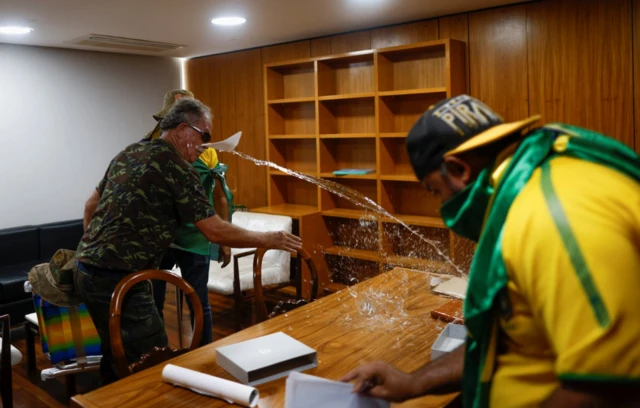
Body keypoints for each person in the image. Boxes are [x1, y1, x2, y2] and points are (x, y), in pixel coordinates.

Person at [340, 95, 640, 407]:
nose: (442, 205)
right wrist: (413, 382)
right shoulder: (530, 185)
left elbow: (606, 387)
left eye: (435, 190)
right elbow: (504, 343)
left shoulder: (552, 214)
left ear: (458, 169)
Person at [75, 97, 301, 383]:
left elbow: (89, 206)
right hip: (119, 278)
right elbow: (215, 231)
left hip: (84, 271)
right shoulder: (179, 169)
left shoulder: (129, 152)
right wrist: (268, 238)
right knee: (150, 358)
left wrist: (92, 252)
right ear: (182, 130)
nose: (207, 143)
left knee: (115, 350)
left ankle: (107, 400)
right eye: (204, 135)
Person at [144, 89, 232, 347]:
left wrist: (225, 240)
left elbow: (220, 197)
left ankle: (204, 354)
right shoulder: (150, 149)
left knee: (198, 301)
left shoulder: (208, 153)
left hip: (197, 235)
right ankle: (156, 353)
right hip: (162, 237)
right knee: (154, 301)